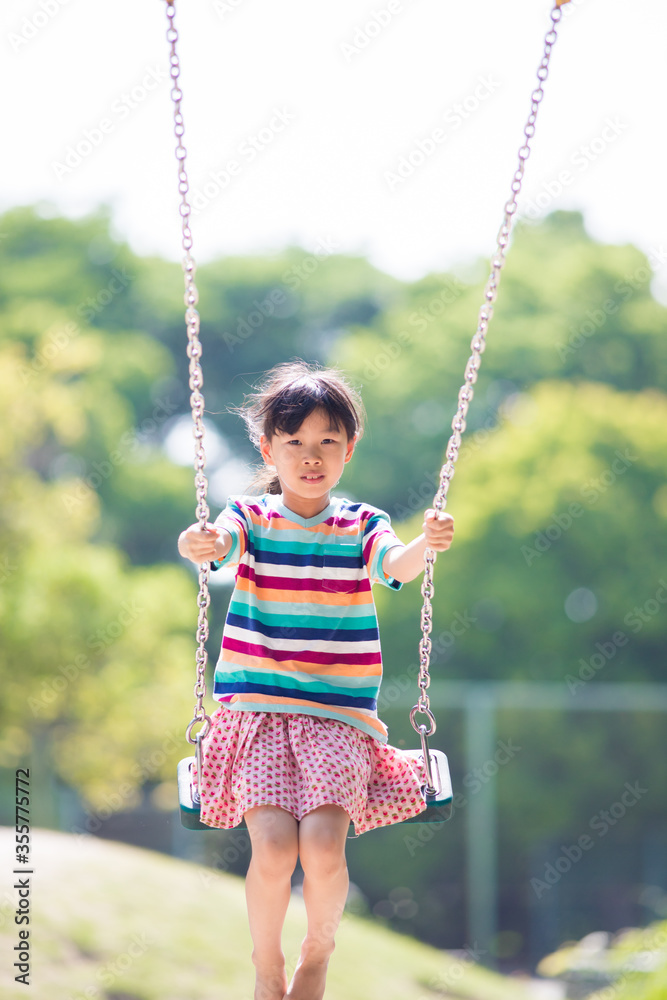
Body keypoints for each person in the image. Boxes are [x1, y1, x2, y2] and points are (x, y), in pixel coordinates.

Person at [178, 360, 454, 1000]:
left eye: (327, 441)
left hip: (339, 720)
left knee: (325, 848)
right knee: (274, 849)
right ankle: (265, 962)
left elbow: (397, 565)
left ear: (348, 449)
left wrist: (427, 543)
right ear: (268, 446)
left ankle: (319, 953)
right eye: (295, 442)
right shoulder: (249, 514)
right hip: (258, 712)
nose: (311, 456)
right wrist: (203, 544)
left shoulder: (362, 522)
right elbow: (219, 544)